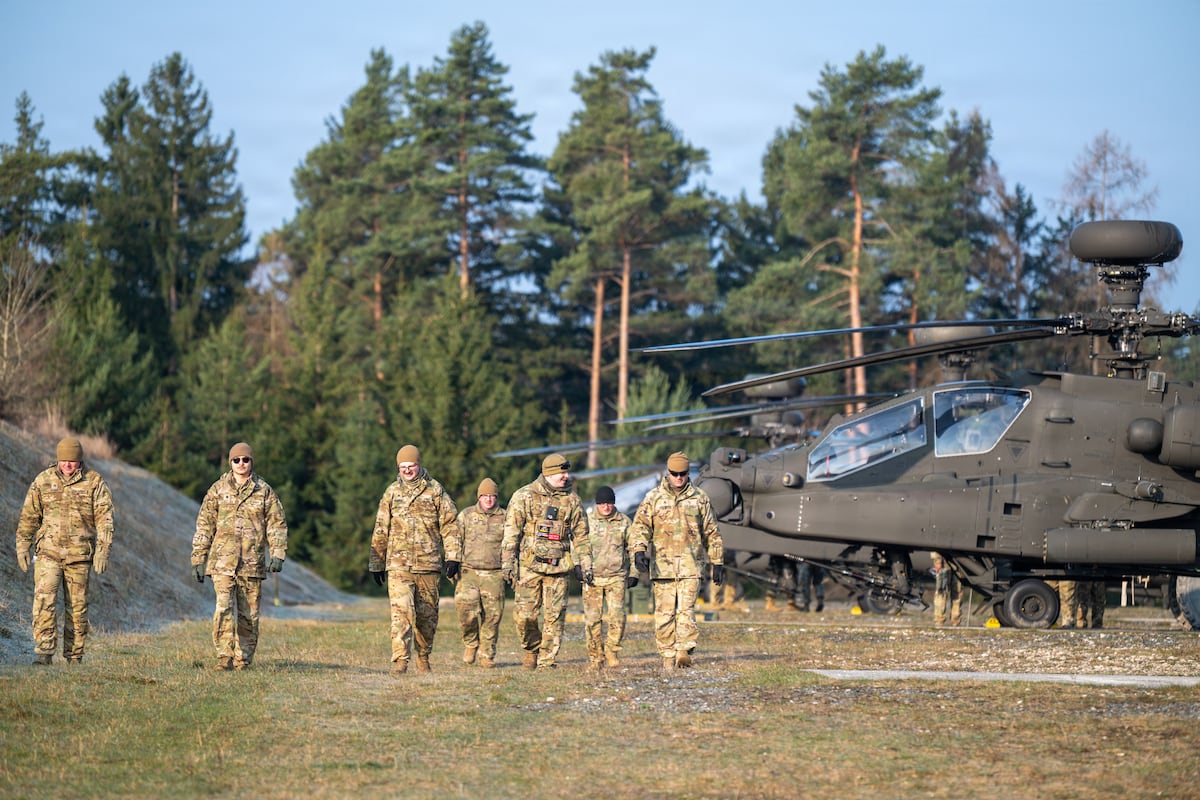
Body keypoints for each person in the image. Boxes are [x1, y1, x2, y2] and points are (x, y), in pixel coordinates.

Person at [15, 437, 114, 666]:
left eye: (73, 461)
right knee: (43, 602)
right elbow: (29, 516)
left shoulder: (94, 482)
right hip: (48, 554)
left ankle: (74, 656)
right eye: (64, 460)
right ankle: (44, 652)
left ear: (80, 461)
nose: (68, 465)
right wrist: (22, 544)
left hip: (79, 556)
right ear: (58, 459)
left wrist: (103, 550)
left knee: (77, 608)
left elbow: (105, 519)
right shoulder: (43, 480)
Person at [191, 442, 288, 671]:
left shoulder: (264, 491)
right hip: (223, 562)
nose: (241, 464)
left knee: (249, 615)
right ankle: (224, 658)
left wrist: (278, 553)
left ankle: (243, 659)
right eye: (237, 460)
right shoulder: (217, 490)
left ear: (251, 462)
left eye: (245, 460)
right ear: (230, 462)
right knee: (223, 608)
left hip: (252, 563)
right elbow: (204, 525)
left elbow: (277, 524)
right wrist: (198, 558)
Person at [369, 444, 459, 675]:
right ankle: (400, 660)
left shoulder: (435, 491)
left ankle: (424, 656)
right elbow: (381, 527)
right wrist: (376, 563)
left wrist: (453, 557)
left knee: (427, 617)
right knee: (402, 613)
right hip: (398, 565)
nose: (407, 471)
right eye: (402, 467)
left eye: (411, 466)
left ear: (419, 465)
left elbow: (450, 525)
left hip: (428, 564)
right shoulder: (391, 493)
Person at [630, 452, 724, 671]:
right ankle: (666, 654)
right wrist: (638, 551)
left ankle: (683, 652)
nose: (679, 478)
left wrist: (717, 561)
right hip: (662, 567)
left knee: (686, 611)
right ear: (668, 472)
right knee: (664, 614)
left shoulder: (700, 497)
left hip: (691, 566)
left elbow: (712, 531)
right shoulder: (653, 498)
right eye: (675, 474)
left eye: (683, 474)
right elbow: (640, 527)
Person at [501, 453, 592, 670]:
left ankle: (547, 660)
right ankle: (531, 648)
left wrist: (585, 564)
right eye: (562, 472)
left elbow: (582, 536)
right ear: (548, 473)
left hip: (558, 567)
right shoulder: (524, 496)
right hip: (529, 567)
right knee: (525, 617)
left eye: (566, 471)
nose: (566, 476)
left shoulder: (572, 500)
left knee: (555, 617)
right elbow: (511, 532)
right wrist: (508, 563)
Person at [448, 477, 507, 669]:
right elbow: (455, 539)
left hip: (494, 573)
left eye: (492, 496)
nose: (489, 500)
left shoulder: (506, 517)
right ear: (479, 497)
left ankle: (487, 654)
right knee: (466, 611)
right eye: (484, 496)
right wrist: (453, 561)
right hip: (469, 571)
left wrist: (511, 568)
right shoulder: (466, 515)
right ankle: (471, 643)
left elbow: (512, 544)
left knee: (493, 616)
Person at [583, 485, 637, 670]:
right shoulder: (587, 522)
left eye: (609, 503)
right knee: (592, 620)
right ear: (597, 504)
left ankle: (612, 650)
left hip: (617, 577)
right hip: (593, 578)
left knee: (617, 616)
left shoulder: (624, 522)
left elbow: (634, 548)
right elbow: (579, 547)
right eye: (602, 503)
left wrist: (635, 573)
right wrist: (579, 567)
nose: (606, 507)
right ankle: (595, 656)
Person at [930, 552, 961, 627]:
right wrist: (938, 561)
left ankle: (955, 620)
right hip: (944, 563)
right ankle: (939, 621)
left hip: (958, 562)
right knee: (941, 592)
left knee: (957, 592)